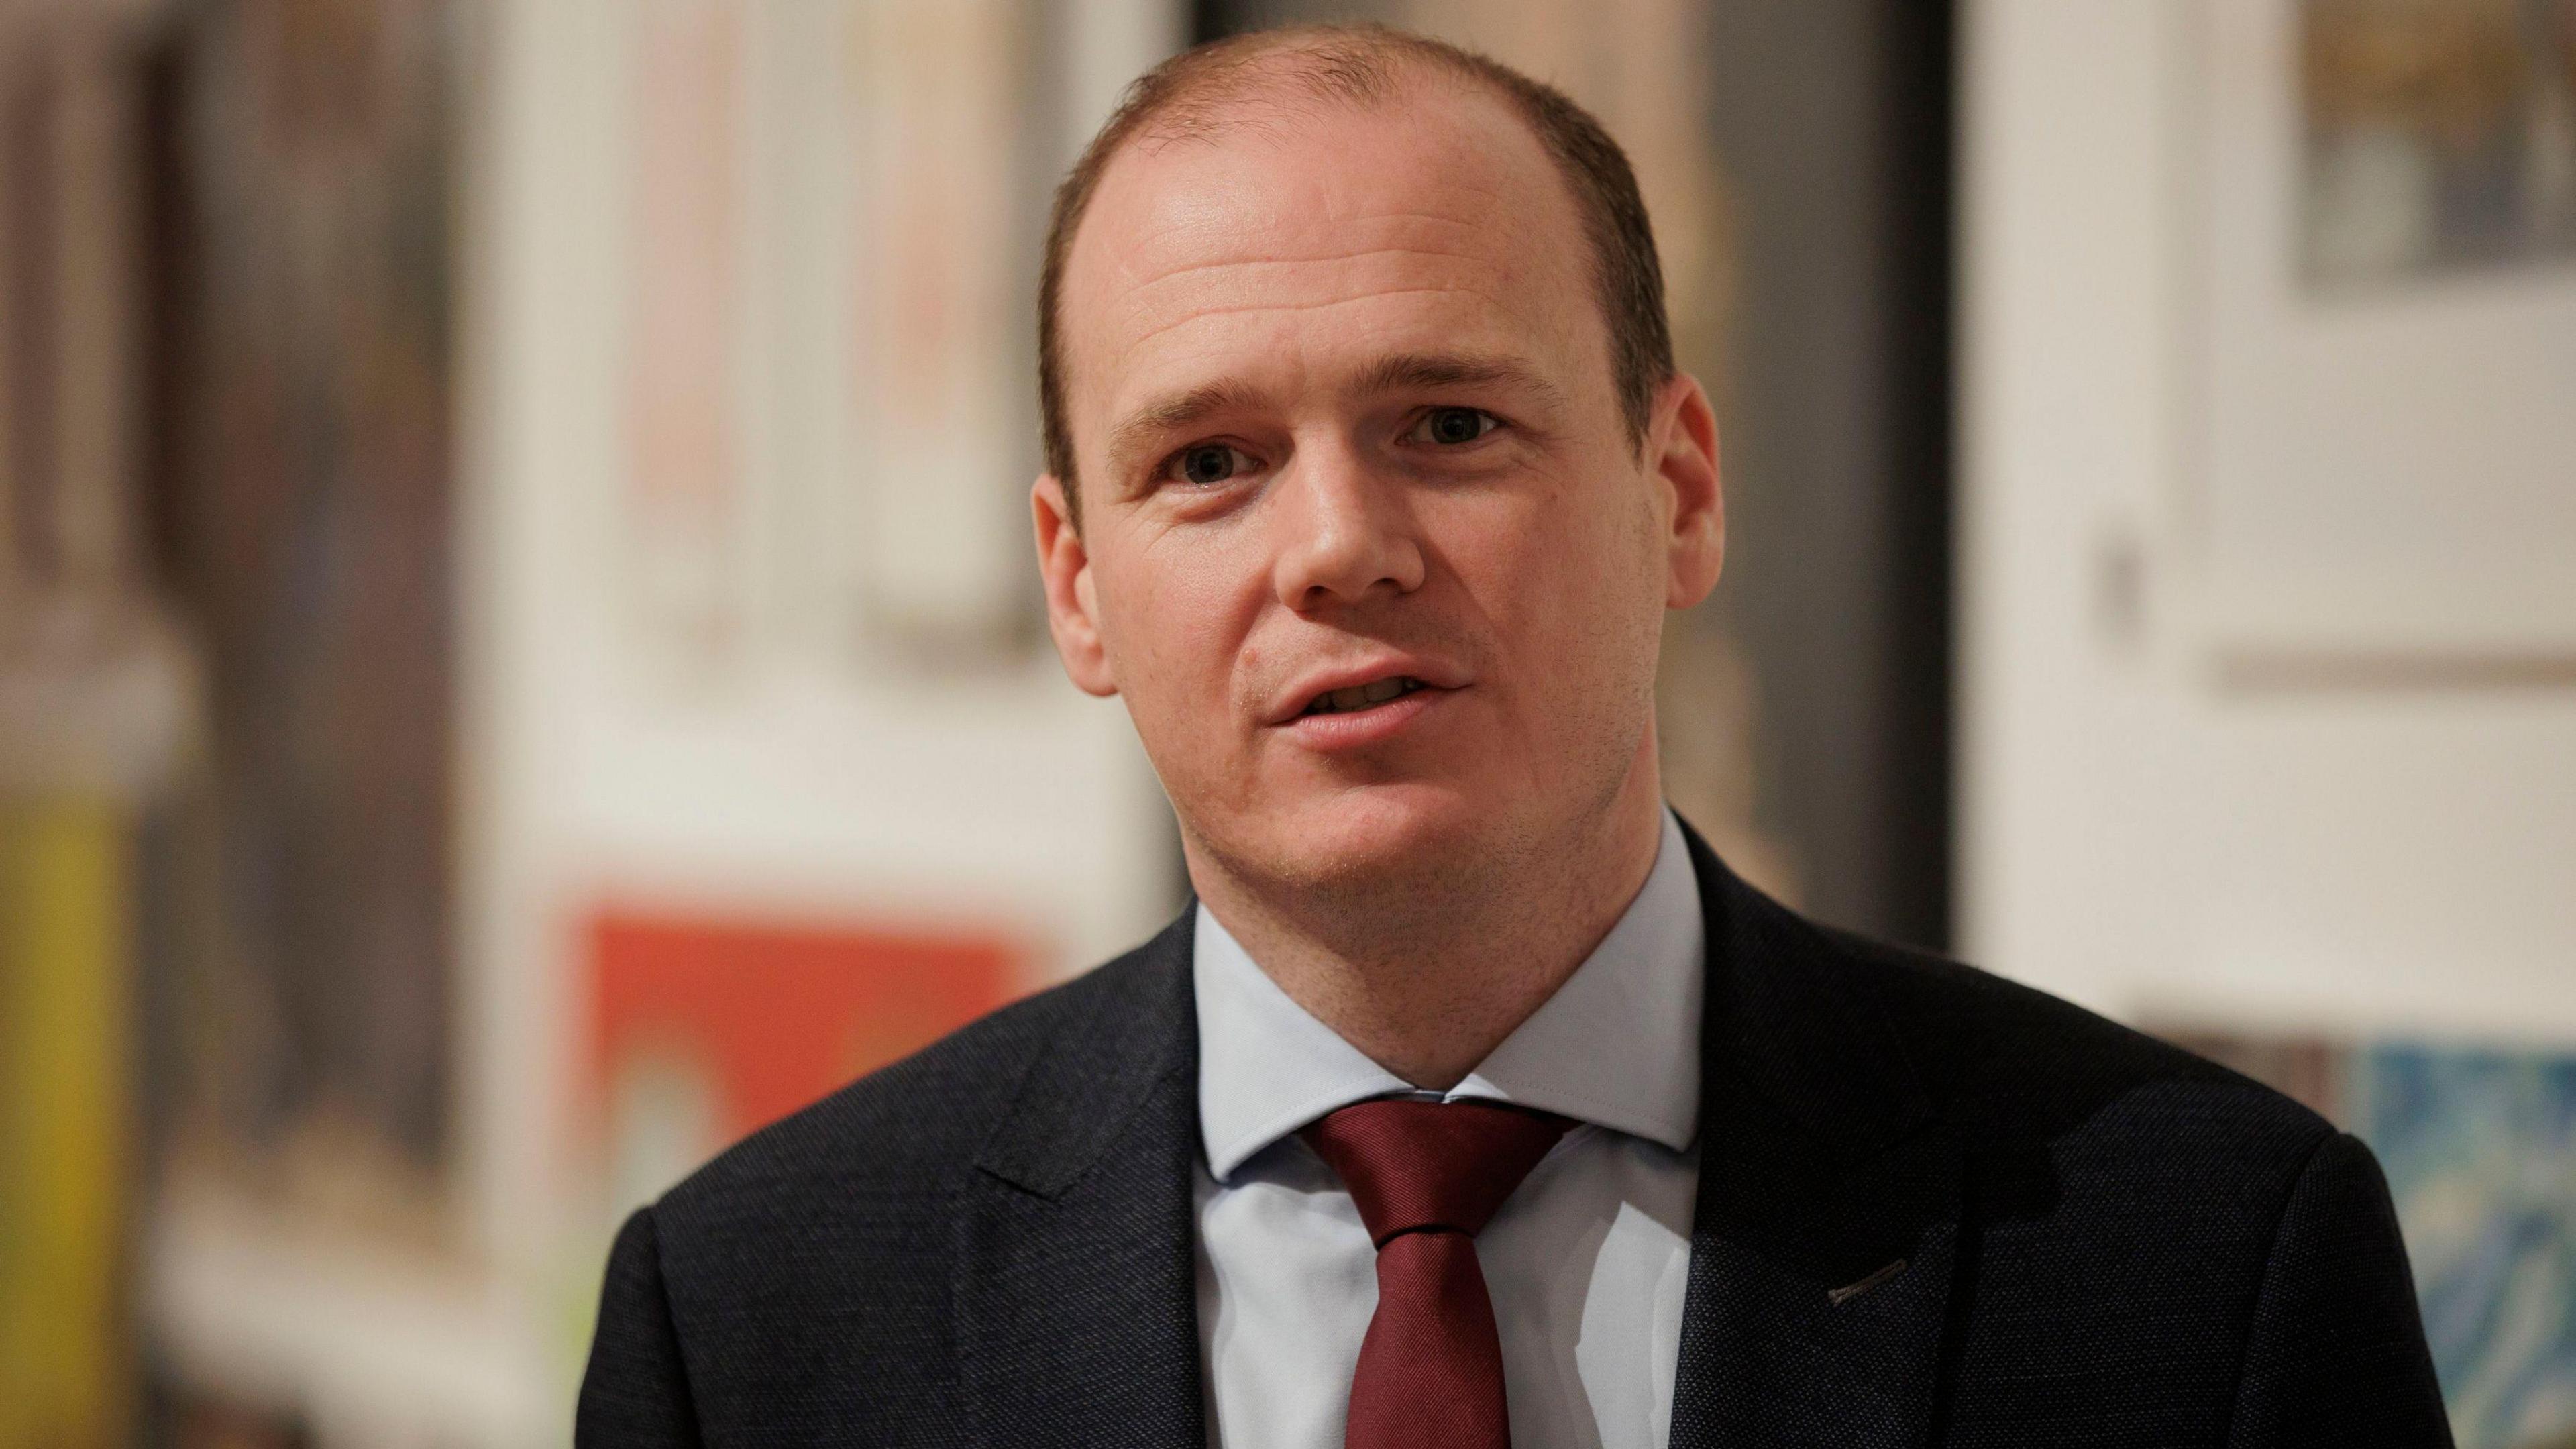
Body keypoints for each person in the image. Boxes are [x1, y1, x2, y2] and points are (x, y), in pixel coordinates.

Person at [577, 24, 2451, 1449]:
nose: (1338, 549)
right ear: (1078, 584)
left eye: (1451, 425)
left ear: (1681, 488)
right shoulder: (754, 1322)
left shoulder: (2208, 1261)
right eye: (1209, 463)